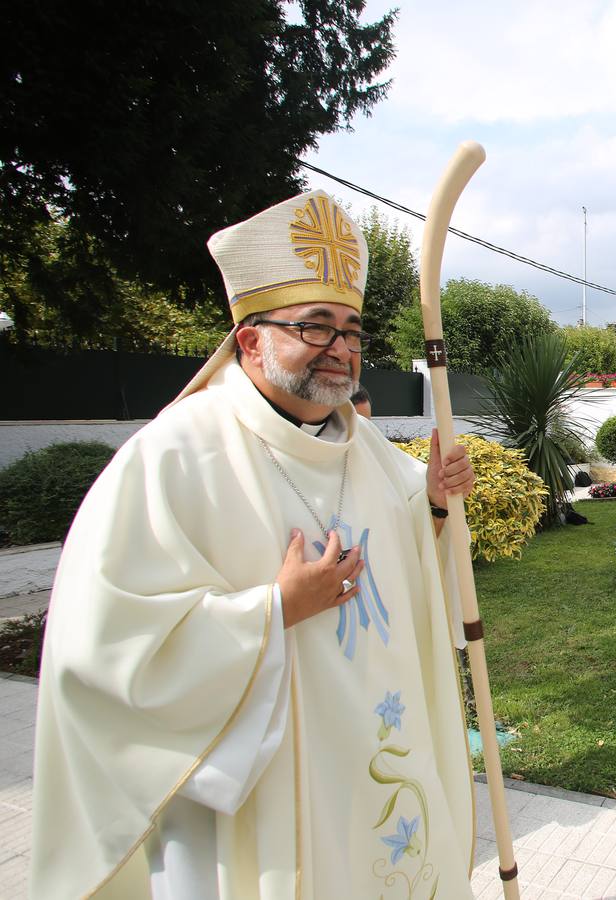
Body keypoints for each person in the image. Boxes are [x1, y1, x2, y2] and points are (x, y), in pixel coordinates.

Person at [31, 191, 480, 898]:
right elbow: (103, 650)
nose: (343, 349)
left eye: (353, 329)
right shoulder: (174, 455)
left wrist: (429, 502)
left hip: (377, 756)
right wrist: (272, 611)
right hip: (263, 788)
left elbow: (411, 559)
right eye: (317, 327)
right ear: (249, 339)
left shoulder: (366, 447)